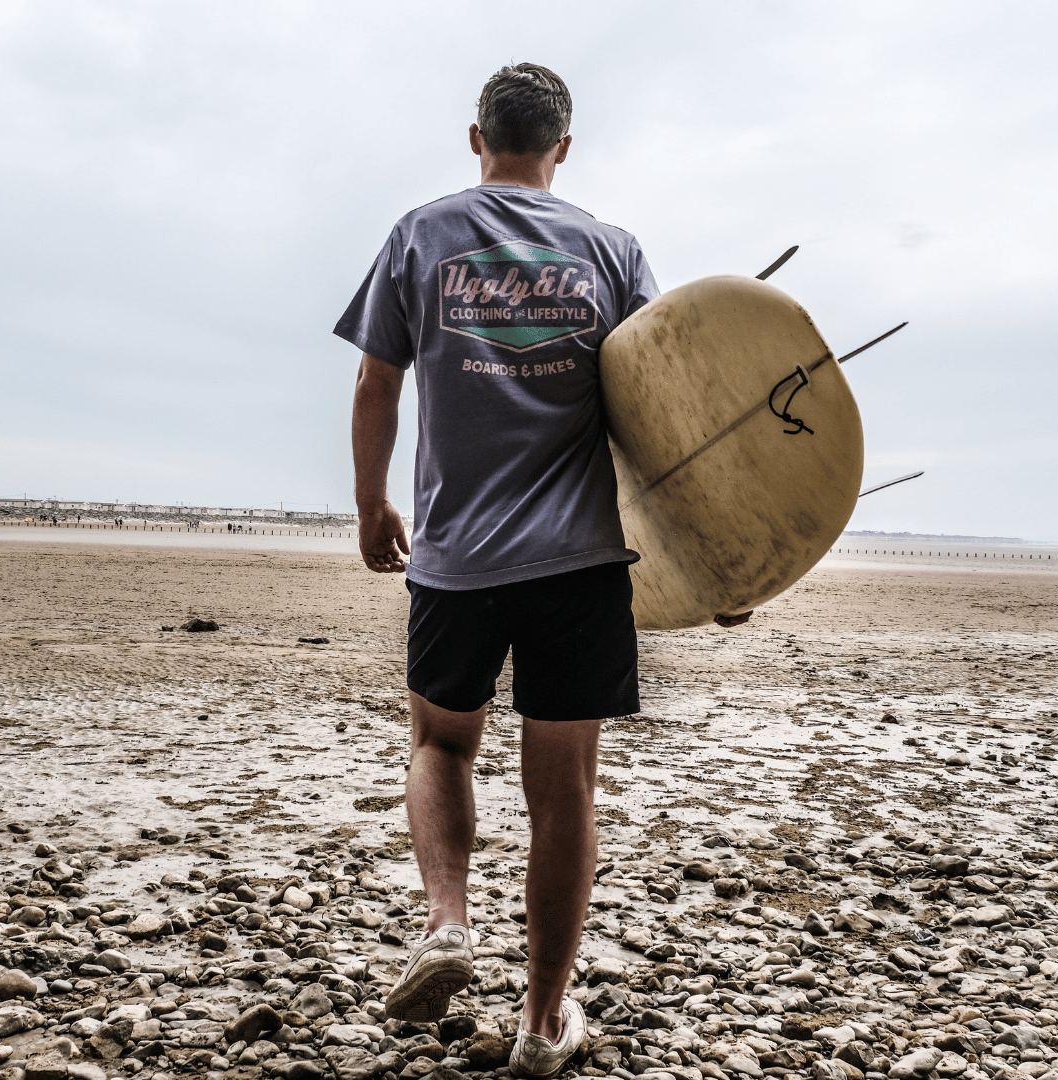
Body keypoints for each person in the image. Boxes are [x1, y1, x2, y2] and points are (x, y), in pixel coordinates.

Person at [337, 63, 747, 1079]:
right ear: (563, 145)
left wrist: (370, 502)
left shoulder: (421, 234)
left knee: (441, 743)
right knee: (563, 791)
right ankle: (542, 1019)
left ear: (476, 135)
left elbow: (375, 384)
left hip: (457, 556)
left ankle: (444, 924)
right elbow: (671, 420)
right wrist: (725, 558)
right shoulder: (612, 250)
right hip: (576, 561)